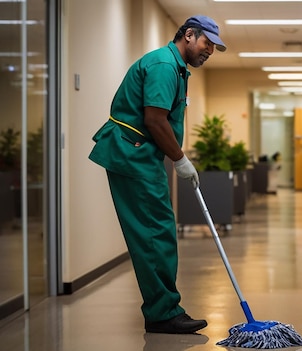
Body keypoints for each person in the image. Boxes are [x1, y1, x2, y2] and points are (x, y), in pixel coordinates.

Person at [88, 15, 226, 334]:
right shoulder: (165, 65)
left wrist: (175, 158)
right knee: (154, 232)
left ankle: (163, 308)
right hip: (134, 154)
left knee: (158, 230)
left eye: (215, 47)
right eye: (207, 43)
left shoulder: (175, 67)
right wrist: (180, 159)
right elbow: (155, 120)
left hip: (142, 155)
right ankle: (163, 313)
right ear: (189, 35)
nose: (210, 51)